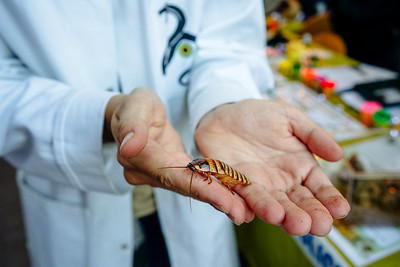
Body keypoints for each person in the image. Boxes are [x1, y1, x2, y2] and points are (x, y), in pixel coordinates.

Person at [0, 1, 350, 267]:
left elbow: (229, 44)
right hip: (71, 184)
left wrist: (224, 100)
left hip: (201, 174)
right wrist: (103, 116)